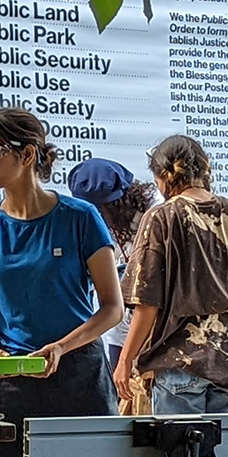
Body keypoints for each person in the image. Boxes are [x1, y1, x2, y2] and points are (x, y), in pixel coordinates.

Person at [0, 108, 123, 457]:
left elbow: (112, 308)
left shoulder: (80, 218)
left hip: (80, 374)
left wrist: (62, 347)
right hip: (11, 379)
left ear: (27, 154)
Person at [116, 135, 228, 415]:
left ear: (163, 175)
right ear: (206, 168)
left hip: (179, 360)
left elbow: (147, 303)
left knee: (180, 456)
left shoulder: (161, 218)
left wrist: (125, 359)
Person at [67, 158, 158, 413]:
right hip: (119, 335)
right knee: (122, 412)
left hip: (156, 335)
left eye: (103, 208)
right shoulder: (88, 226)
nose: (98, 215)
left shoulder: (154, 218)